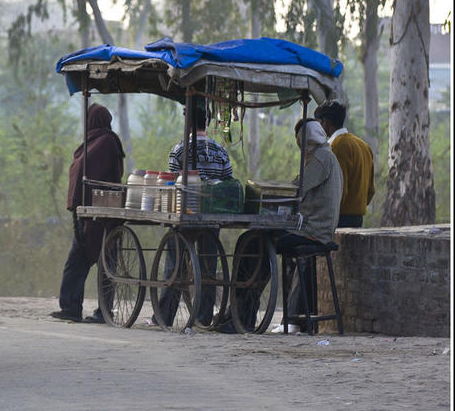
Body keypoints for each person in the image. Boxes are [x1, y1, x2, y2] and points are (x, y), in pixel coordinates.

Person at [232, 118, 342, 331]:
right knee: (253, 239)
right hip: (316, 228)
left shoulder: (320, 159)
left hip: (312, 231)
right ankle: (240, 312)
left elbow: (295, 189)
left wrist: (270, 193)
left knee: (254, 241)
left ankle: (243, 314)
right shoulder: (326, 156)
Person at [153, 100, 233, 327]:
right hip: (212, 217)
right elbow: (228, 183)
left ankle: (165, 316)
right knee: (208, 267)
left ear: (187, 123)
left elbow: (171, 182)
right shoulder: (220, 151)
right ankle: (203, 316)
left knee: (175, 265)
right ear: (206, 122)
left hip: (185, 214)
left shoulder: (179, 150)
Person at [50, 103, 125, 323]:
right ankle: (72, 307)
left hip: (102, 211)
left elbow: (94, 172)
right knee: (81, 261)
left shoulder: (106, 142)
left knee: (103, 260)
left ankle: (101, 311)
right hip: (88, 212)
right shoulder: (95, 141)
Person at [313, 101, 375, 227]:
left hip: (339, 220)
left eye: (318, 124)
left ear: (326, 123)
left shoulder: (337, 146)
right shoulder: (363, 145)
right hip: (357, 219)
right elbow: (370, 190)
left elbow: (339, 190)